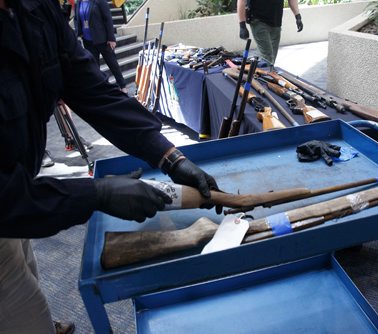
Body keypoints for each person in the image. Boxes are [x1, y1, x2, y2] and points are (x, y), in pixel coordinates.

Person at [0, 0, 219, 333]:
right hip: (7, 200)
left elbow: (90, 88)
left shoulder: (34, 9)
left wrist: (168, 156)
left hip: (20, 185)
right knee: (21, 309)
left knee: (25, 260)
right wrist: (95, 193)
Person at [74, 0, 128, 93]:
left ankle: (122, 86)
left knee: (112, 64)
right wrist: (79, 33)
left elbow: (108, 19)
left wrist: (111, 38)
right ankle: (100, 88)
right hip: (88, 41)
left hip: (103, 40)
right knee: (94, 68)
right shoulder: (78, 2)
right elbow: (76, 19)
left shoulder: (99, 1)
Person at [237, 0, 303, 68]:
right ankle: (266, 74)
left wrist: (298, 16)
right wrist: (242, 25)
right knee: (267, 56)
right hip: (258, 20)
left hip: (276, 21)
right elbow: (241, 1)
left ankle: (260, 73)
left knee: (272, 57)